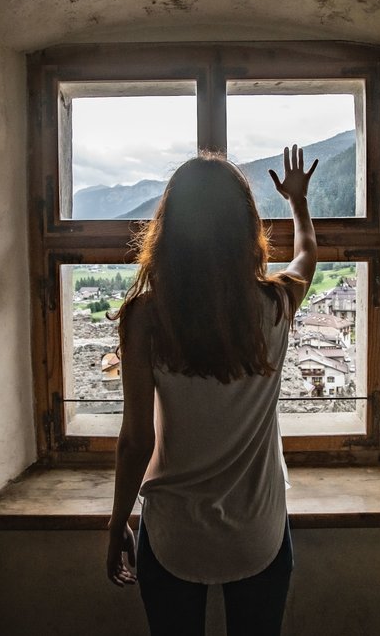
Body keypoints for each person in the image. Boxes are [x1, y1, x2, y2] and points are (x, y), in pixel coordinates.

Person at [105, 145, 319, 636]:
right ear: (246, 228)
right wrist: (298, 202)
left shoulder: (145, 318)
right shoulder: (276, 302)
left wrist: (116, 526)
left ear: (169, 229)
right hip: (258, 530)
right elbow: (307, 253)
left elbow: (136, 441)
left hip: (174, 532)